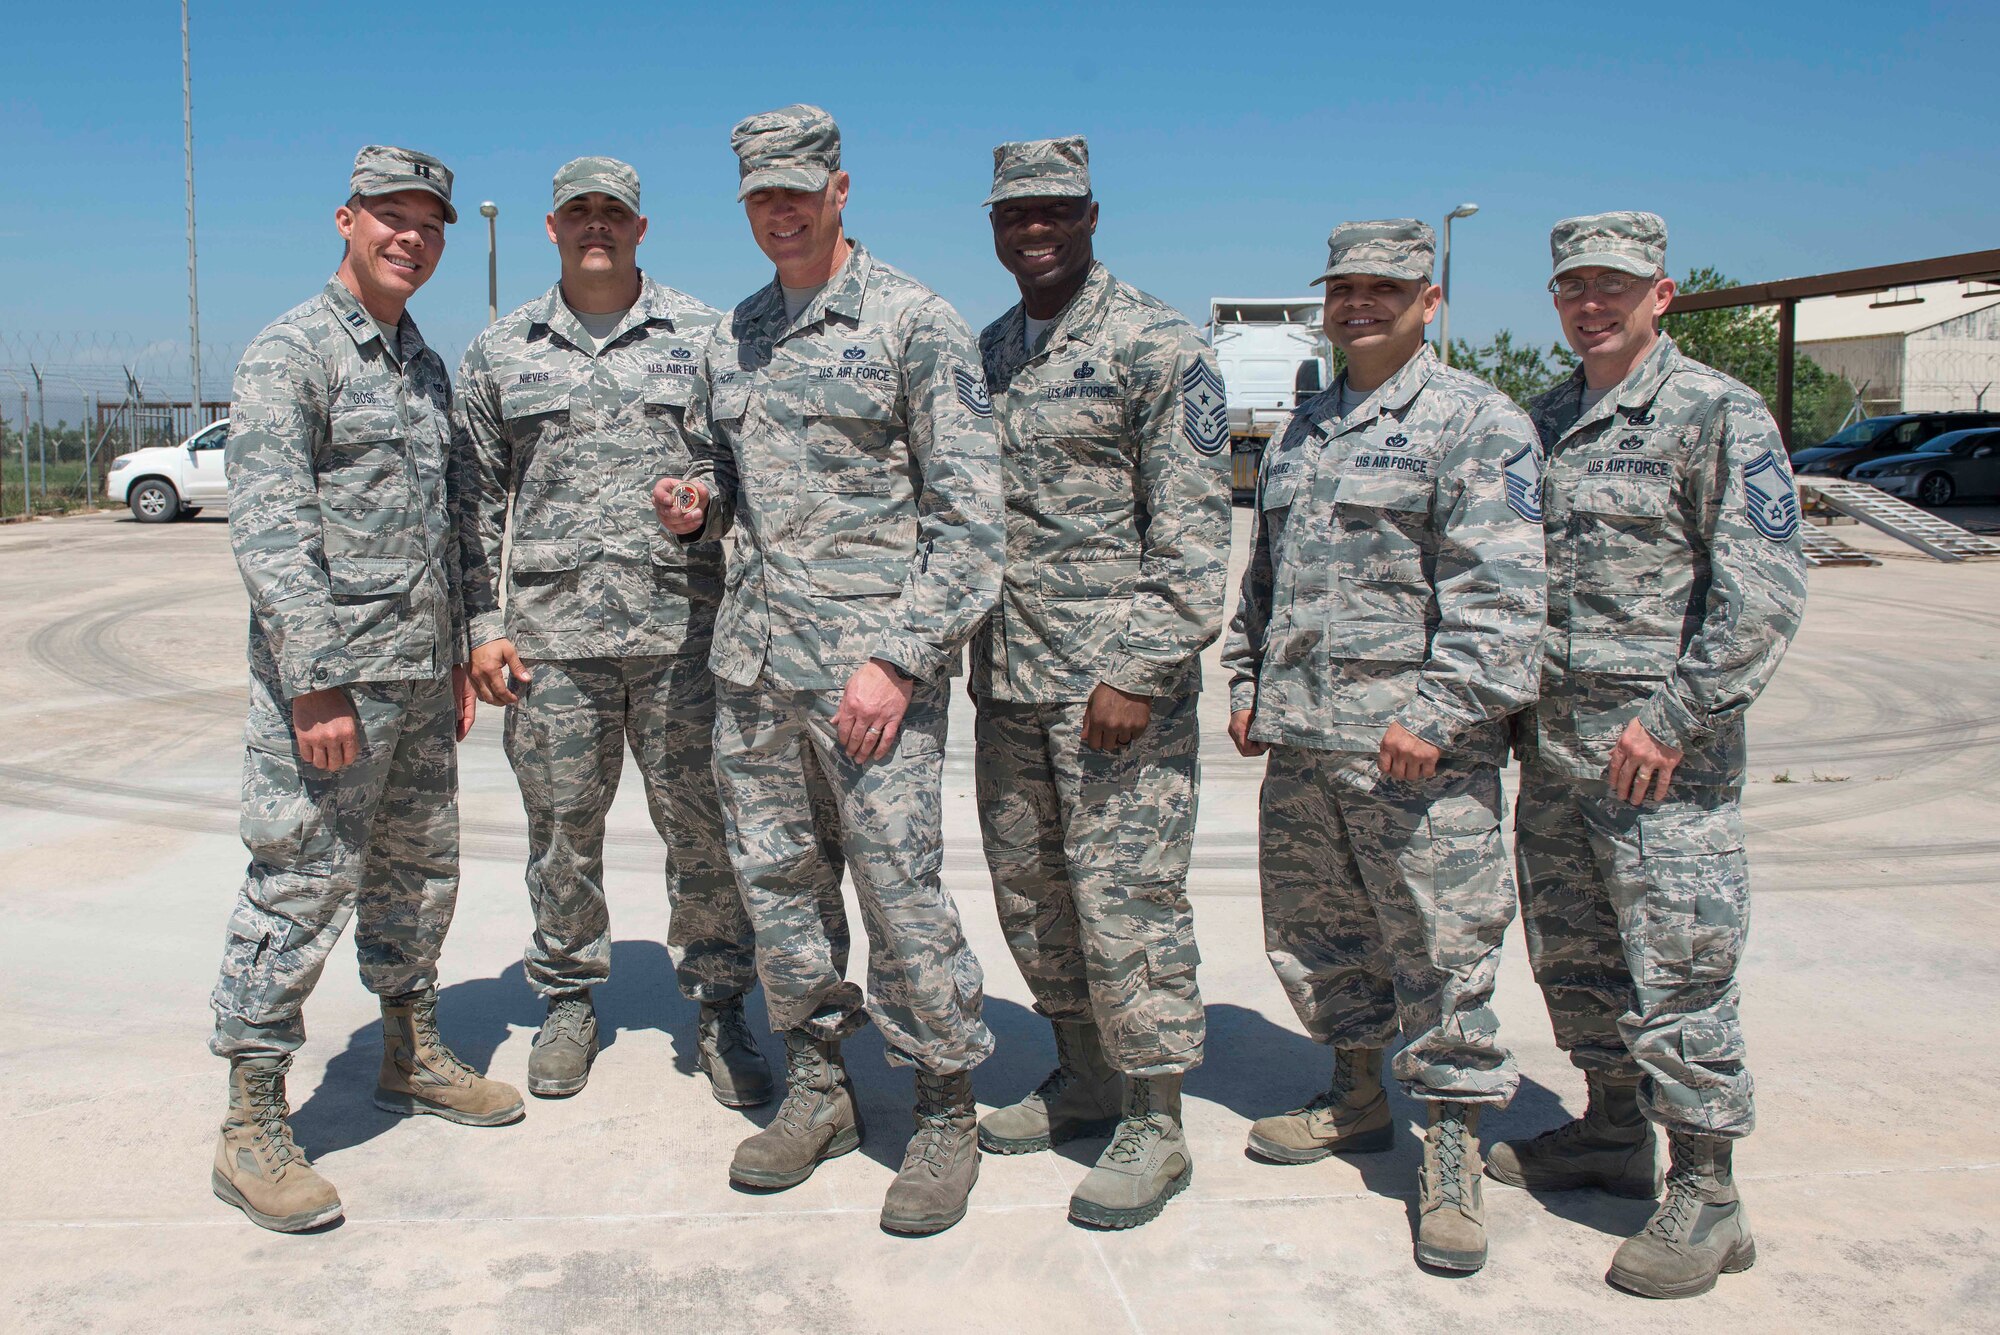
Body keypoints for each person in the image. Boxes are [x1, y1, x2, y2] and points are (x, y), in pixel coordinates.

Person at [654, 104, 1003, 1236]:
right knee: (779, 893)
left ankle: (944, 1103)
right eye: (760, 194)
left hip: (868, 680)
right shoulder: (732, 336)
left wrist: (898, 661)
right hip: (752, 672)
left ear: (840, 189)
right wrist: (693, 510)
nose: (780, 210)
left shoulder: (914, 324)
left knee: (900, 893)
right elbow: (716, 483)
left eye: (798, 189)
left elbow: (969, 525)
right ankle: (819, 1085)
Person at [1488, 212, 1806, 1300]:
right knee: (1575, 961)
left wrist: (1674, 719)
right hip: (1557, 759)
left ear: (1658, 295)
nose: (1591, 305)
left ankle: (1708, 1191)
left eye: (1612, 287)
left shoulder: (1714, 413)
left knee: (1678, 971)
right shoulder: (1540, 421)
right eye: (1572, 287)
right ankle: (1611, 1132)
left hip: (1660, 768)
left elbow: (1761, 593)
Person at [1222, 219, 1546, 1272]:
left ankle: (1449, 1152)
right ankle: (1355, 1095)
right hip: (1307, 743)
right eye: (1343, 288)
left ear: (1428, 301)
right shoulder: (1304, 428)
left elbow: (1499, 598)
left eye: (1384, 289)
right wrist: (1244, 682)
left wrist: (1437, 713)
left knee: (1441, 951)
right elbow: (1262, 581)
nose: (1358, 304)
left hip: (1416, 754)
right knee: (1322, 937)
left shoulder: (1474, 424)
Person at [209, 146, 522, 1234]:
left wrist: (462, 648)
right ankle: (251, 1119)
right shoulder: (292, 353)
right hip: (332, 692)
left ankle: (410, 1050)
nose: (412, 238)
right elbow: (271, 525)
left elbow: (450, 523)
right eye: (391, 218)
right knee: (298, 886)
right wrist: (314, 684)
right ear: (345, 221)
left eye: (429, 224)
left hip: (418, 689)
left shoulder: (423, 366)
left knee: (416, 877)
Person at [452, 157, 771, 1106]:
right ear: (551, 228)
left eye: (614, 214)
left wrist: (702, 503)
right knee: (559, 832)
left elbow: (738, 470)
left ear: (642, 227)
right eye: (579, 213)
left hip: (684, 635)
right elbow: (472, 501)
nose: (598, 226)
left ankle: (721, 1006)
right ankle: (566, 997)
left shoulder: (707, 337)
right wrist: (482, 622)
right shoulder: (501, 350)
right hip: (551, 644)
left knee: (705, 833)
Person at [966, 135, 1231, 1229]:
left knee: (1128, 904)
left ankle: (1155, 1118)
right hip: (1009, 680)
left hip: (1113, 697)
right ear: (993, 227)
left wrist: (1137, 668)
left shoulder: (1156, 345)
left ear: (1088, 216)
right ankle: (1080, 1073)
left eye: (1053, 212)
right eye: (1013, 215)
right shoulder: (987, 351)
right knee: (1034, 900)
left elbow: (1195, 536)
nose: (1033, 231)